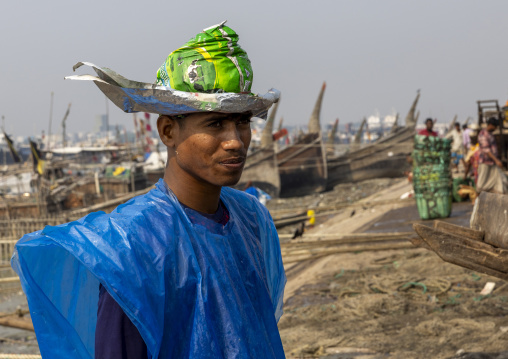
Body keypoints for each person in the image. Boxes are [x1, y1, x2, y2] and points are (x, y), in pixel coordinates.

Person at [12, 22, 286, 359]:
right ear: (168, 130)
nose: (235, 140)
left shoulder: (250, 218)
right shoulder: (133, 245)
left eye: (242, 121)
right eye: (215, 123)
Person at [476, 117, 507, 194]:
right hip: (485, 162)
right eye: (495, 126)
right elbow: (486, 150)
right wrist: (497, 161)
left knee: (500, 182)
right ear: (490, 125)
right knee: (481, 184)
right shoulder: (483, 134)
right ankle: (477, 199)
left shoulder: (490, 134)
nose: (495, 128)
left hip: (493, 163)